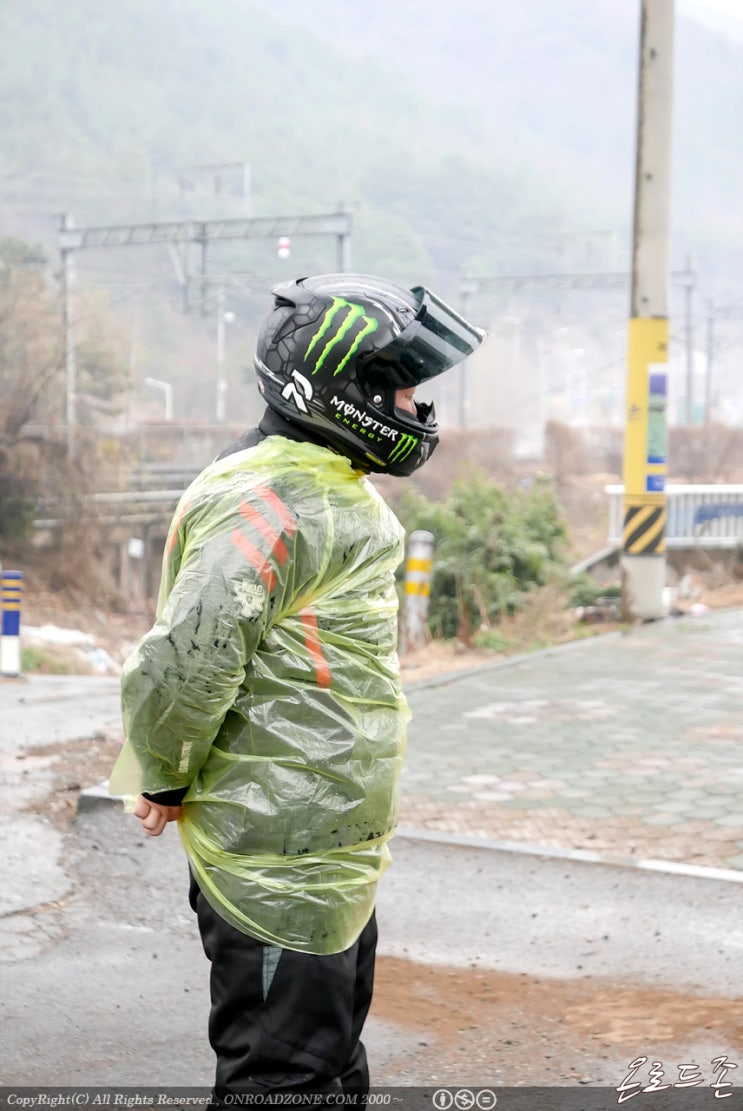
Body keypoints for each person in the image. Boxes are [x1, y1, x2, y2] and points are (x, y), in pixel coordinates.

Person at [109, 272, 484, 1104]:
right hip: (276, 853)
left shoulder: (319, 488)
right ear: (336, 388)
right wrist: (163, 770)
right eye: (402, 391)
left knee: (329, 1066)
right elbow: (188, 655)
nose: (418, 412)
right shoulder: (277, 501)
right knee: (283, 1083)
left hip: (324, 849)